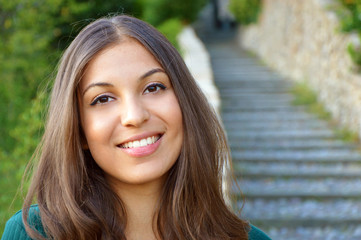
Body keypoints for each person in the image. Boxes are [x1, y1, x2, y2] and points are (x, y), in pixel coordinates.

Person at [1, 15, 271, 240]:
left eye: (154, 87)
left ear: (185, 103)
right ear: (79, 130)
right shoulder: (32, 234)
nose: (134, 116)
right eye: (102, 99)